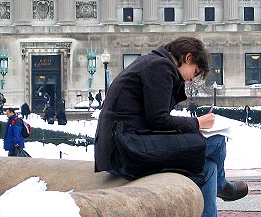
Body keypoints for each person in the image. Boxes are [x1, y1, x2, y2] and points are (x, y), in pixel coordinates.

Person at [94, 37, 247, 217]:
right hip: (126, 149)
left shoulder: (153, 63)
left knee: (208, 168)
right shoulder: (160, 67)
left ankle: (218, 189)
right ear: (187, 57)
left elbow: (153, 119)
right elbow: (158, 120)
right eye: (195, 71)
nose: (191, 79)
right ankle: (222, 187)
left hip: (122, 147)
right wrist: (197, 123)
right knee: (217, 141)